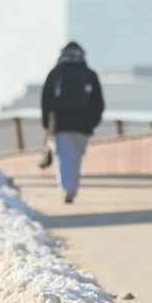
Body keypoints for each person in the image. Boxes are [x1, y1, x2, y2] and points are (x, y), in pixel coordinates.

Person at [39, 41, 105, 204]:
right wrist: (93, 122)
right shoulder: (89, 74)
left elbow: (45, 101)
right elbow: (99, 102)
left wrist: (47, 124)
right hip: (83, 124)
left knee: (63, 157)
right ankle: (72, 189)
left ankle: (66, 189)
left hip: (60, 123)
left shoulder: (55, 73)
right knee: (76, 158)